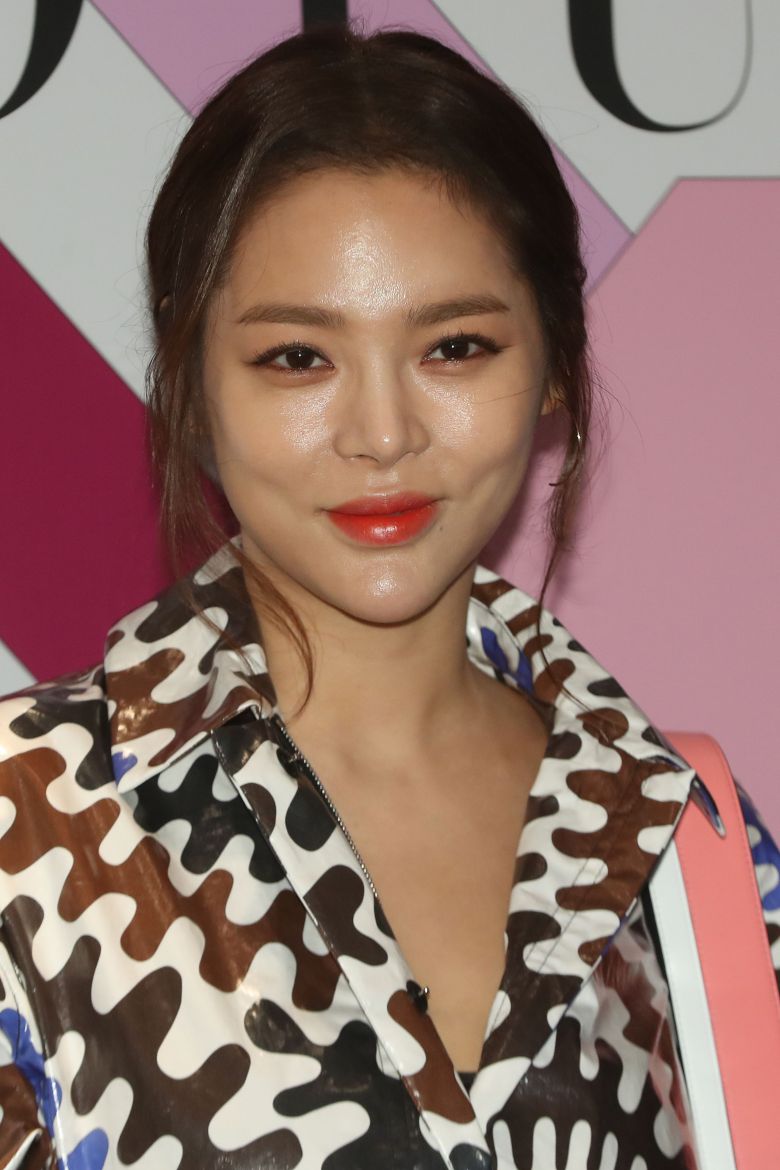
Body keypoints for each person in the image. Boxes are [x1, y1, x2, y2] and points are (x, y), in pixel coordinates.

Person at [0, 23, 776, 1170]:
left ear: (554, 362)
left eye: (454, 347)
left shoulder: (680, 831)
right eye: (297, 358)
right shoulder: (30, 819)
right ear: (192, 385)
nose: (382, 433)